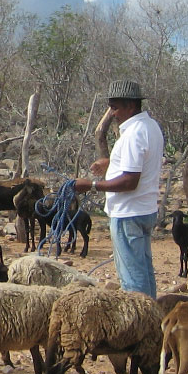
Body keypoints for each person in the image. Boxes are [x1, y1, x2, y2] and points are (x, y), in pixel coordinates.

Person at [74, 81, 164, 299]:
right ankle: (152, 319)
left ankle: (140, 327)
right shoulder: (150, 126)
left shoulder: (134, 134)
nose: (111, 113)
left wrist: (91, 185)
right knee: (143, 271)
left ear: (130, 106)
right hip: (144, 209)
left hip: (128, 213)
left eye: (115, 107)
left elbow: (129, 182)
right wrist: (110, 163)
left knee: (132, 279)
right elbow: (141, 164)